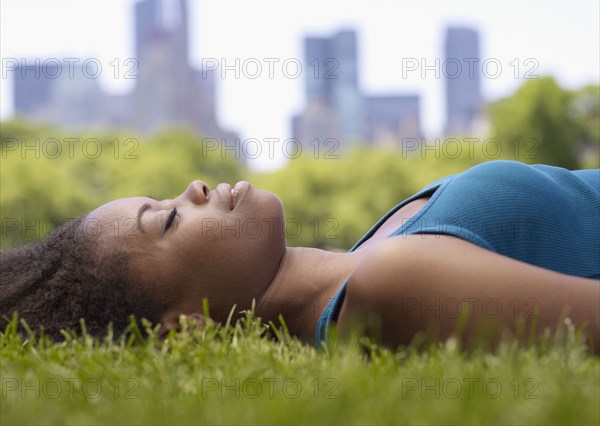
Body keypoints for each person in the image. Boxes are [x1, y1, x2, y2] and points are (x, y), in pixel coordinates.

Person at [1, 160, 599, 351]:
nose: (195, 189)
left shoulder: (371, 255)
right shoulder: (389, 287)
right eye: (168, 219)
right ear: (187, 325)